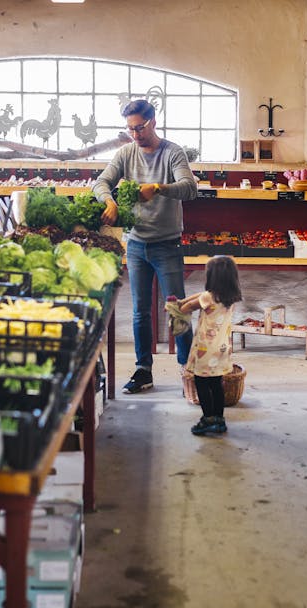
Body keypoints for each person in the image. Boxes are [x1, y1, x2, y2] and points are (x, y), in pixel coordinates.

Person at [94, 99, 198, 394]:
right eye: (129, 129)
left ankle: (187, 369)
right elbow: (100, 182)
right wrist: (109, 200)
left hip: (167, 245)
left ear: (153, 121)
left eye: (139, 127)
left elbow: (190, 188)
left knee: (177, 309)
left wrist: (159, 188)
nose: (135, 134)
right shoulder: (126, 153)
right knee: (140, 311)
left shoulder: (172, 152)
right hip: (136, 244)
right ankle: (143, 371)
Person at [179, 255, 242, 435]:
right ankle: (219, 420)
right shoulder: (231, 296)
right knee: (216, 383)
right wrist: (184, 300)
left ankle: (207, 419)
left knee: (201, 381)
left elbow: (187, 308)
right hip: (222, 349)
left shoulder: (208, 297)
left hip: (205, 349)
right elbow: (199, 296)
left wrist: (178, 305)